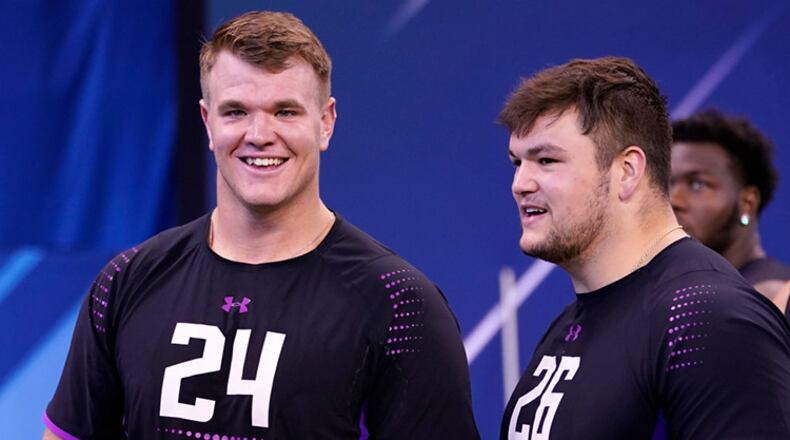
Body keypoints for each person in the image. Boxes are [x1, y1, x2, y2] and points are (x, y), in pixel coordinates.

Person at [43, 11, 479, 440]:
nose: (260, 134)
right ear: (207, 122)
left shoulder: (400, 305)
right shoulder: (124, 283)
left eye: (285, 111)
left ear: (325, 122)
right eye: (235, 112)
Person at [498, 56, 790, 439]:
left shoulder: (708, 318)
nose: (520, 183)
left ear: (628, 171)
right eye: (517, 162)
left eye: (546, 159)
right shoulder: (570, 322)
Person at [670, 109, 790, 315]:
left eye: (697, 184)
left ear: (747, 202)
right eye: (665, 184)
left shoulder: (772, 298)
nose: (673, 200)